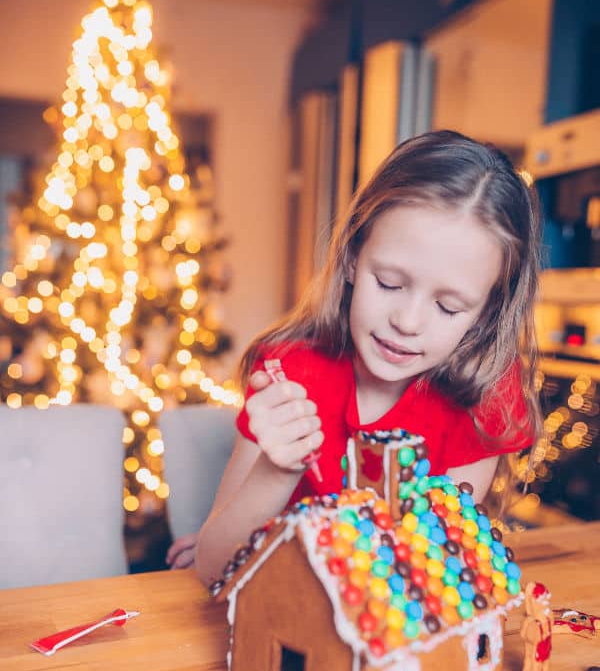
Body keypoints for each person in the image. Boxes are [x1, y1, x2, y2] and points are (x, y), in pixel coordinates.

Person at [166, 130, 542, 584]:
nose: (407, 320)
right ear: (351, 258)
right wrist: (273, 473)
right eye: (387, 282)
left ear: (485, 315)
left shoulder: (485, 396)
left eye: (448, 307)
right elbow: (213, 569)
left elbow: (429, 569)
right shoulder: (290, 372)